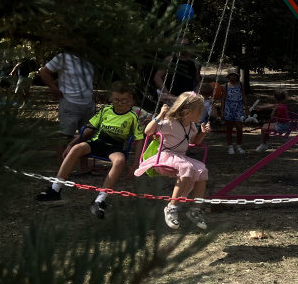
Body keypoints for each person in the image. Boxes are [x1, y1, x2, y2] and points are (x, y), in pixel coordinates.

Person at [36, 82, 145, 219]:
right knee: (77, 149)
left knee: (120, 161)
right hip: (98, 142)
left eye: (124, 100)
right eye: (116, 99)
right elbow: (89, 129)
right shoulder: (105, 111)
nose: (120, 103)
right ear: (111, 99)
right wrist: (72, 144)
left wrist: (136, 164)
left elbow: (140, 139)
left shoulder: (133, 117)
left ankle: (100, 199)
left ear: (130, 101)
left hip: (115, 146)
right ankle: (55, 188)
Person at [135, 91, 212, 230]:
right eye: (200, 111)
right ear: (188, 113)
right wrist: (160, 115)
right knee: (187, 167)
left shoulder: (192, 126)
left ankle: (195, 209)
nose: (202, 114)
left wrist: (203, 134)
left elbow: (193, 142)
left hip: (180, 157)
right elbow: (148, 131)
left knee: (202, 170)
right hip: (166, 156)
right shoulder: (170, 123)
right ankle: (171, 208)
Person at [39, 52, 96, 169]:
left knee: (85, 135)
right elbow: (43, 72)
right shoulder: (63, 57)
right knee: (65, 136)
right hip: (70, 102)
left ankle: (84, 167)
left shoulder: (91, 57)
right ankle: (62, 168)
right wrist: (54, 89)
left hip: (88, 103)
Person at [154, 37, 201, 103]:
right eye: (183, 45)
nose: (185, 47)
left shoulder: (194, 63)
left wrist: (195, 96)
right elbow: (157, 77)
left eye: (187, 45)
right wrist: (167, 94)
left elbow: (198, 82)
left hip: (187, 100)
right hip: (171, 98)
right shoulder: (170, 60)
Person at [223, 69, 247, 154]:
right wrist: (222, 110)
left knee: (239, 127)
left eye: (234, 75)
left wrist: (246, 108)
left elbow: (243, 96)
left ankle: (239, 146)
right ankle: (230, 146)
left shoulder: (241, 85)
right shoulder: (225, 86)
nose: (233, 77)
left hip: (239, 107)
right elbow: (223, 98)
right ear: (228, 77)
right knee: (229, 128)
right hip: (228, 108)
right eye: (231, 75)